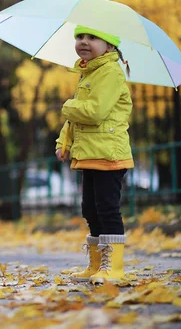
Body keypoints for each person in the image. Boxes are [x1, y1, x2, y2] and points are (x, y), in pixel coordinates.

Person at [55, 25, 133, 283]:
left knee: (107, 209)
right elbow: (75, 122)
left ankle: (114, 268)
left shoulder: (110, 72)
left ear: (109, 46)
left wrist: (67, 105)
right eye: (79, 37)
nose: (83, 42)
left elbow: (94, 112)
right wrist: (63, 141)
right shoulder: (88, 73)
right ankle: (97, 265)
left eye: (92, 37)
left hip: (109, 153)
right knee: (90, 208)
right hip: (89, 152)